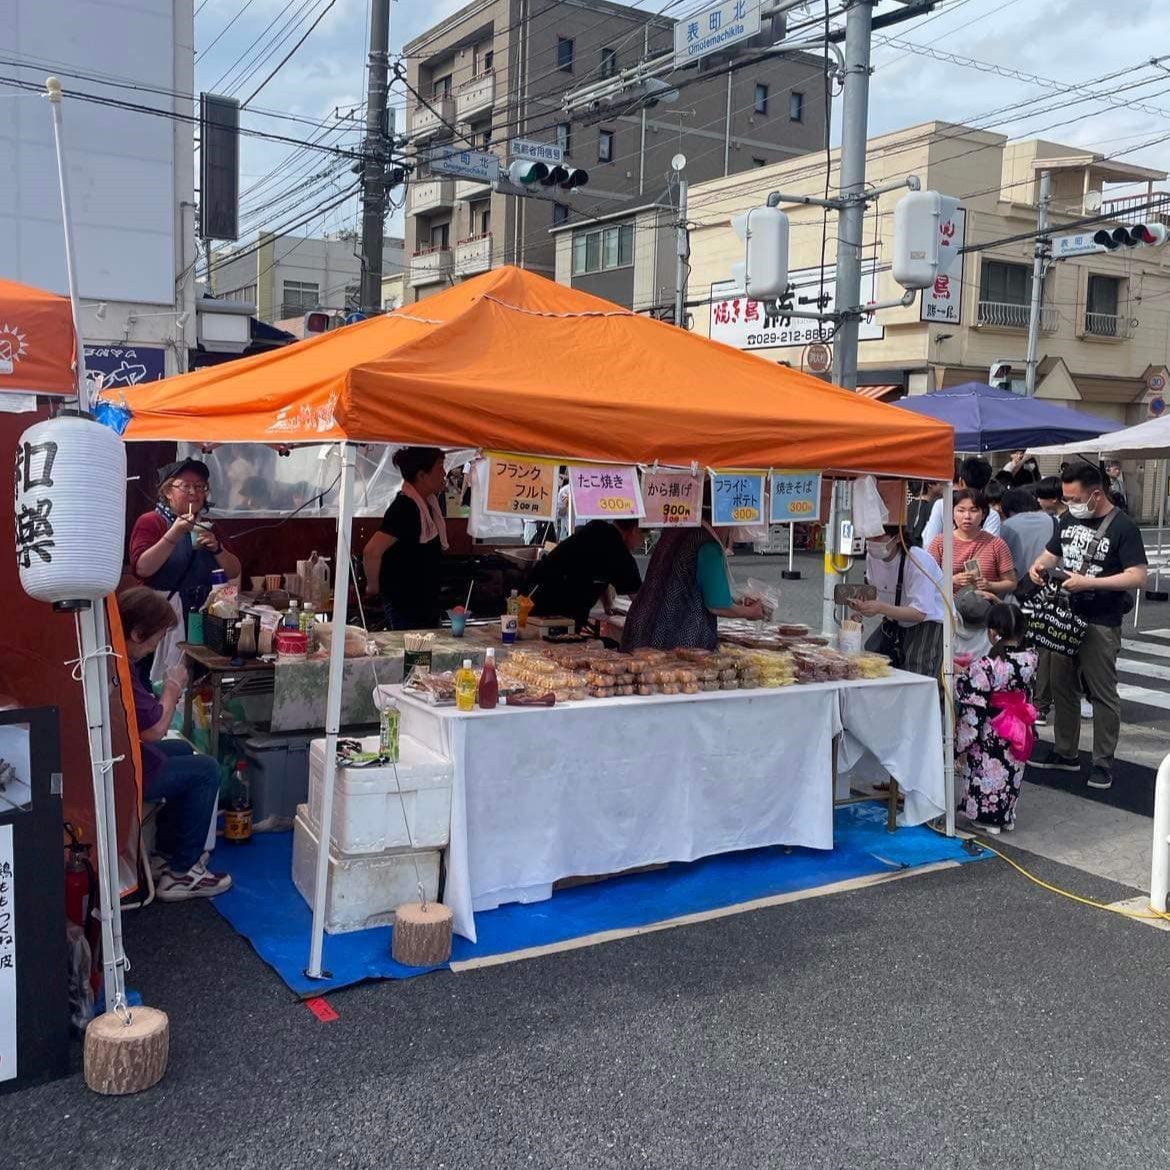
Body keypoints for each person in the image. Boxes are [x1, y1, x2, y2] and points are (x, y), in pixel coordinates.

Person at [1029, 463, 1148, 790]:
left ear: (1096, 494)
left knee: (1102, 690)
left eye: (1074, 497)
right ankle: (1066, 751)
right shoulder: (1067, 519)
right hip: (1065, 616)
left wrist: (1090, 582)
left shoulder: (1123, 527)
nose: (1069, 503)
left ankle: (1102, 761)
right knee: (1061, 684)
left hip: (1101, 620)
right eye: (1066, 498)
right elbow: (1051, 554)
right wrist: (1038, 567)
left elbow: (1138, 575)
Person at [118, 587, 231, 901]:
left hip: (117, 754)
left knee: (182, 751)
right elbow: (153, 729)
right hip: (122, 769)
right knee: (206, 769)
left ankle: (165, 855)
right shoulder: (122, 665)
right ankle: (182, 872)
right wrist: (172, 687)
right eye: (156, 638)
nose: (157, 645)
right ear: (138, 634)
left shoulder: (115, 653)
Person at [621, 492, 765, 651]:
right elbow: (718, 604)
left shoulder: (674, 530)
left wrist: (737, 601)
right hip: (675, 641)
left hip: (641, 627)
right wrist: (750, 612)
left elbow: (694, 582)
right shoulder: (708, 545)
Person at [955, 603, 1038, 835]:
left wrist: (959, 677)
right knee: (1011, 769)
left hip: (992, 726)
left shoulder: (988, 666)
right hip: (1019, 723)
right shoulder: (1030, 659)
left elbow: (972, 698)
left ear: (992, 632)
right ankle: (1006, 814)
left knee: (988, 768)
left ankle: (986, 817)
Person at [129, 458, 242, 622]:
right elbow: (142, 569)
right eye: (185, 486)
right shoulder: (151, 521)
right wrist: (174, 533)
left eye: (199, 486)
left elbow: (234, 571)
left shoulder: (208, 526)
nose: (193, 492)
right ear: (168, 491)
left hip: (205, 613)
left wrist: (218, 549)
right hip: (163, 615)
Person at [363, 447, 448, 630]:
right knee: (410, 655)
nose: (444, 473)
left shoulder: (430, 504)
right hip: (404, 604)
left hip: (425, 602)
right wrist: (373, 588)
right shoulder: (405, 507)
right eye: (439, 467)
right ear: (422, 475)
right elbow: (372, 551)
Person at [847, 525, 946, 678]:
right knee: (876, 663)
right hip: (896, 620)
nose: (872, 542)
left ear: (898, 537)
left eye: (878, 537)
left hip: (930, 622)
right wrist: (862, 609)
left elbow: (919, 613)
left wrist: (880, 608)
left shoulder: (917, 560)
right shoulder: (872, 558)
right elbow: (877, 595)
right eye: (870, 537)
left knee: (916, 671)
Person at [927, 489, 1017, 656]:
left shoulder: (996, 544)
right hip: (948, 617)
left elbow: (1011, 582)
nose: (967, 516)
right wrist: (952, 580)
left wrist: (990, 585)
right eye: (961, 510)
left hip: (982, 620)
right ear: (951, 513)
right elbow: (926, 579)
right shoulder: (940, 542)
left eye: (973, 510)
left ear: (983, 514)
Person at [1000, 488, 1059, 723]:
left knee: (1016, 649)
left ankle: (1015, 698)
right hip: (1048, 596)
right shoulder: (1054, 521)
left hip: (1018, 596)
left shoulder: (1007, 527)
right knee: (1044, 651)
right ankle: (1041, 706)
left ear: (1009, 509)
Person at [528, 518, 643, 631]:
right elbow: (640, 598)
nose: (642, 542)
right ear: (635, 530)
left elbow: (601, 572)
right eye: (643, 536)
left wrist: (608, 604)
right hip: (555, 612)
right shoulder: (619, 551)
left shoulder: (597, 531)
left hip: (537, 600)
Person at [921, 456, 999, 544]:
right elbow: (990, 551)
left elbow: (929, 543)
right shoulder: (991, 515)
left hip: (942, 556)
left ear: (961, 482)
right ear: (987, 484)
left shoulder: (942, 505)